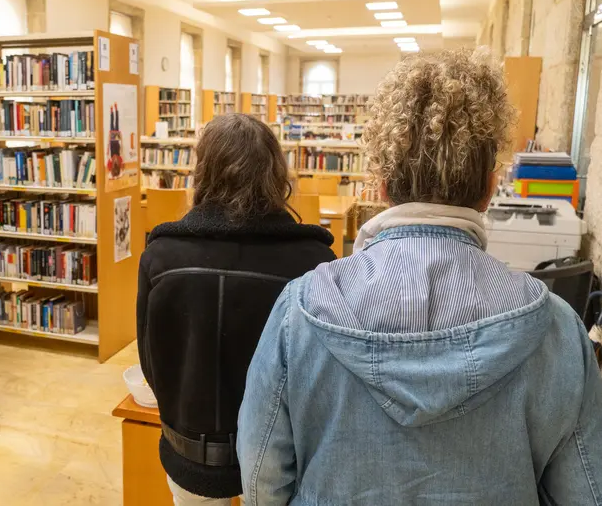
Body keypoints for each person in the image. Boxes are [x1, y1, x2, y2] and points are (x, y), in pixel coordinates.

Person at [237, 49, 602, 505]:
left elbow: (259, 480)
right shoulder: (559, 329)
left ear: (383, 186)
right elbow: (586, 491)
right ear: (490, 190)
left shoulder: (300, 310)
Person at [137, 113, 336, 505]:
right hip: (279, 457)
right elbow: (319, 374)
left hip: (188, 451)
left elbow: (151, 360)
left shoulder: (160, 258)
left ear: (203, 172)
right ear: (277, 174)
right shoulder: (314, 263)